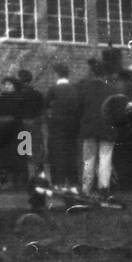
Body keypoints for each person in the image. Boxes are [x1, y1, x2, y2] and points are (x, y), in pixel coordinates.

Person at [77, 58, 119, 199]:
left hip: (89, 128)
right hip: (107, 128)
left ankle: (86, 189)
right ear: (104, 74)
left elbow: (79, 109)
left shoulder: (83, 88)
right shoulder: (112, 89)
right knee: (105, 159)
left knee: (88, 159)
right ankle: (103, 189)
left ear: (92, 72)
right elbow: (116, 111)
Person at [44, 62, 81, 190]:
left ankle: (58, 182)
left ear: (56, 75)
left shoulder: (53, 89)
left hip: (57, 126)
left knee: (57, 154)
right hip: (72, 126)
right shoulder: (74, 88)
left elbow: (45, 105)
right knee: (71, 153)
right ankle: (73, 181)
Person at [15, 69, 45, 180]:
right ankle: (40, 176)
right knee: (37, 150)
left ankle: (25, 178)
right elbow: (42, 109)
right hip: (35, 124)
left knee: (24, 150)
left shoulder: (17, 94)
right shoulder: (37, 93)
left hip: (23, 124)